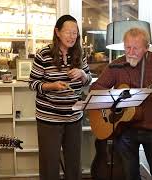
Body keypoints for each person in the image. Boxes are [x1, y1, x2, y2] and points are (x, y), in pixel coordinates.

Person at [90, 27, 152, 180]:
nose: (130, 52)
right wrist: (115, 100)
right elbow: (96, 88)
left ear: (146, 48)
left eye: (136, 48)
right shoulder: (116, 65)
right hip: (124, 129)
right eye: (127, 47)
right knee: (129, 175)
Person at [29, 14, 92, 180]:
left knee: (74, 163)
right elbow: (33, 83)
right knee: (49, 164)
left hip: (74, 117)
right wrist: (51, 86)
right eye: (68, 32)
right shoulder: (43, 54)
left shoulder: (80, 54)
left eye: (75, 33)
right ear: (57, 32)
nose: (72, 37)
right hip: (49, 119)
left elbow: (88, 80)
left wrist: (83, 74)